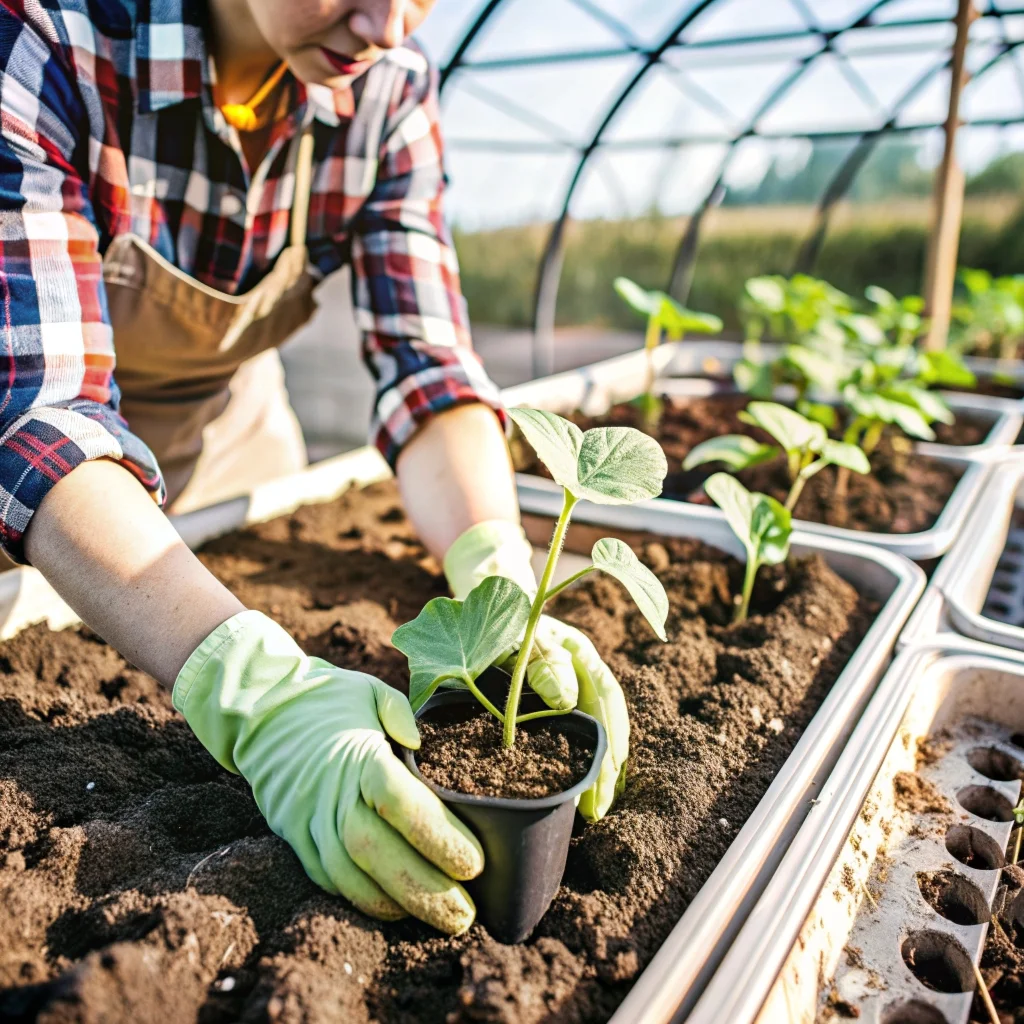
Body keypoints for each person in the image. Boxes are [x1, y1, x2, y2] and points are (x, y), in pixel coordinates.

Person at [0, 0, 628, 936]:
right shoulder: (50, 38)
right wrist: (259, 691)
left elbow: (429, 368)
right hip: (36, 472)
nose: (387, 22)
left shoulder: (387, 90)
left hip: (226, 427)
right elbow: (40, 420)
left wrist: (496, 566)